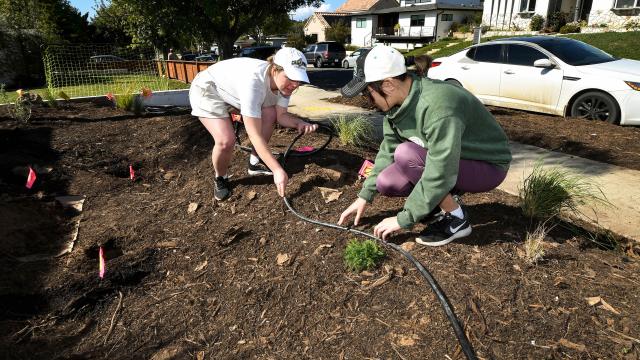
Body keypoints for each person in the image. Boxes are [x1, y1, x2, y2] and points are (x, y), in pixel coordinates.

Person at [337, 45, 512, 246]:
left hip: (488, 166)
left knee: (406, 154)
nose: (368, 101)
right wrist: (364, 197)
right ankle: (438, 201)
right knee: (386, 181)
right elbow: (388, 150)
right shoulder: (396, 105)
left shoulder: (437, 105)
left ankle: (457, 220)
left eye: (367, 94)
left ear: (388, 85)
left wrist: (404, 218)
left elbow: (441, 171)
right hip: (452, 160)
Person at [189, 47, 318, 201]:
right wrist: (277, 170)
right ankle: (220, 178)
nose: (295, 84)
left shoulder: (284, 87)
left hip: (234, 92)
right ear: (275, 69)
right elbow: (254, 134)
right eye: (291, 77)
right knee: (226, 141)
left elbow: (281, 116)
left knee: (270, 113)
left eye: (299, 80)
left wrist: (299, 123)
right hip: (209, 90)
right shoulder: (253, 83)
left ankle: (254, 162)